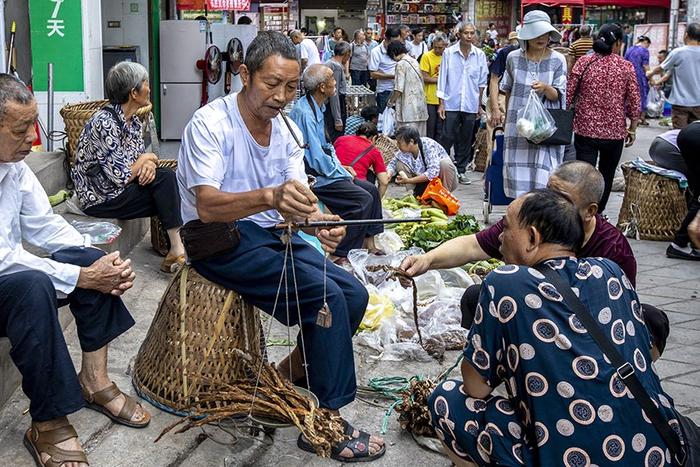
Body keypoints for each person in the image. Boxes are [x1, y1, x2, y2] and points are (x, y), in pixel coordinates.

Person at [177, 33, 385, 462]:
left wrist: (317, 221)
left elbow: (296, 198)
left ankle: (293, 369)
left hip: (271, 235)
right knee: (325, 295)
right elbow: (207, 205)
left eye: (291, 87)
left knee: (355, 294)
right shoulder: (210, 124)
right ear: (244, 74)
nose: (281, 96)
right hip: (219, 238)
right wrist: (271, 199)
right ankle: (325, 420)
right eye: (271, 84)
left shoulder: (288, 129)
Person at [427, 188, 682, 466]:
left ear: (533, 238)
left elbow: (475, 387)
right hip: (657, 450)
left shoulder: (507, 282)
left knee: (447, 399)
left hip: (568, 456)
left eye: (507, 227)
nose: (499, 236)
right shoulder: (610, 271)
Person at [0, 74, 148, 467]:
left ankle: (94, 381)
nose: (33, 140)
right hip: (7, 282)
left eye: (32, 126)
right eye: (20, 130)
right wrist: (82, 278)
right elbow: (2, 260)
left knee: (85, 261)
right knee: (32, 285)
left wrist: (97, 262)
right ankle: (48, 422)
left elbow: (46, 226)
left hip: (8, 279)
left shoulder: (12, 166)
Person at [400, 161, 670, 358]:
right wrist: (427, 260)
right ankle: (488, 364)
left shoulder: (614, 250)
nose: (549, 203)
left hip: (584, 334)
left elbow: (620, 311)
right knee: (475, 295)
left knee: (652, 319)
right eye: (548, 193)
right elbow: (474, 245)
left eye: (561, 199)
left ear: (590, 211)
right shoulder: (530, 223)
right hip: (530, 319)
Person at [71, 62, 185, 273]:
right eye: (145, 84)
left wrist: (148, 164)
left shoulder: (131, 122)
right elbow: (121, 176)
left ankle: (176, 250)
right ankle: (177, 248)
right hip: (100, 198)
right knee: (167, 181)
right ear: (134, 92)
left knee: (169, 185)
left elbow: (138, 161)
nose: (149, 88)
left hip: (121, 190)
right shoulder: (104, 122)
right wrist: (147, 159)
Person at [290, 64, 384, 259]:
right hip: (315, 177)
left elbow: (326, 146)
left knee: (372, 191)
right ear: (322, 87)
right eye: (332, 79)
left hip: (327, 171)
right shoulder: (304, 112)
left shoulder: (318, 106)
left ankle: (369, 243)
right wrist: (340, 172)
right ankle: (341, 254)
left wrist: (341, 167)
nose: (336, 82)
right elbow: (315, 158)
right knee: (361, 200)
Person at [568, 23, 640, 214]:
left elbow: (569, 93)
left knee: (585, 175)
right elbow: (634, 99)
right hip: (614, 132)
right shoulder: (626, 66)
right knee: (607, 175)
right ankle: (598, 215)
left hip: (585, 130)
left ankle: (582, 213)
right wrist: (633, 127)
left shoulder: (584, 62)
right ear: (617, 43)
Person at [500, 11, 568, 199]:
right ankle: (521, 217)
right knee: (517, 177)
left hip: (546, 129)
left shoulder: (557, 59)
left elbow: (558, 96)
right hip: (519, 127)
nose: (541, 38)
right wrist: (507, 120)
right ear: (526, 36)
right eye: (536, 34)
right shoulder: (513, 58)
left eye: (545, 33)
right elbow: (507, 89)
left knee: (544, 175)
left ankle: (541, 219)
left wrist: (546, 87)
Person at [437, 22, 489, 186]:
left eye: (472, 33)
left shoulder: (479, 55)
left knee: (466, 138)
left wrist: (479, 104)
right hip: (451, 102)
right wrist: (441, 103)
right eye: (466, 33)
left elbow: (481, 82)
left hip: (470, 103)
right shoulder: (449, 53)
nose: (469, 36)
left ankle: (460, 170)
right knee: (447, 136)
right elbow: (442, 79)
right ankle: (442, 169)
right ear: (459, 34)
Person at [647, 22, 700, 129]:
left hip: (680, 103)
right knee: (696, 136)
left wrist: (650, 73)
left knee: (679, 135)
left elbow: (661, 68)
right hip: (698, 103)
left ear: (686, 35)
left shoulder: (678, 52)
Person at [387, 125, 458, 197]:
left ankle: (443, 196)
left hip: (442, 180)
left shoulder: (428, 145)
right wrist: (388, 174)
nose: (397, 145)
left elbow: (432, 173)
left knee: (445, 164)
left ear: (411, 141)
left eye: (399, 143)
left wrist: (409, 180)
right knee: (400, 164)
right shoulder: (403, 152)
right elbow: (392, 164)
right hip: (423, 184)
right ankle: (413, 194)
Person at [667, 121, 700, 260]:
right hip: (695, 138)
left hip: (690, 132)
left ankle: (682, 242)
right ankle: (679, 244)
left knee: (698, 192)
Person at [334, 122, 390, 196]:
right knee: (371, 176)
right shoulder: (374, 151)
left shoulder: (340, 139)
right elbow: (384, 182)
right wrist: (378, 201)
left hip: (334, 180)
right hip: (355, 186)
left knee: (369, 173)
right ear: (374, 138)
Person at [387, 41, 429, 136]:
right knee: (420, 139)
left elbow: (398, 89)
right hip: (420, 108)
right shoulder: (414, 61)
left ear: (393, 53)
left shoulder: (401, 64)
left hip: (407, 111)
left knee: (407, 140)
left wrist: (390, 102)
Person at [487, 31, 519, 128]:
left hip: (518, 101)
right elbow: (494, 80)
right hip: (501, 98)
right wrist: (495, 108)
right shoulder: (505, 53)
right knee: (496, 135)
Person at [420, 34, 447, 140]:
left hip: (445, 99)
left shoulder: (448, 55)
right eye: (434, 47)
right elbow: (424, 77)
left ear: (445, 45)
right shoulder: (426, 56)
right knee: (430, 128)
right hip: (430, 98)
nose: (436, 50)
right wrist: (442, 80)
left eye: (440, 47)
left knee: (441, 129)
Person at [369, 27, 401, 113]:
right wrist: (393, 76)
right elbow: (373, 74)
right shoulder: (376, 52)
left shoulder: (398, 49)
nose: (395, 45)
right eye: (393, 42)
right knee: (384, 118)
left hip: (399, 89)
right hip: (385, 91)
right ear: (386, 38)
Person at [324, 41, 351, 142]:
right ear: (346, 54)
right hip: (335, 105)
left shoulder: (330, 62)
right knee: (336, 138)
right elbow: (334, 94)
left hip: (332, 105)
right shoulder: (336, 67)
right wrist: (338, 119)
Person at [625, 35, 652, 126]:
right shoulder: (644, 51)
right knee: (642, 96)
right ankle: (641, 118)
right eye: (648, 45)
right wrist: (651, 78)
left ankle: (632, 118)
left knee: (631, 97)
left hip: (629, 76)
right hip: (640, 77)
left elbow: (625, 63)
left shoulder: (629, 49)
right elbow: (645, 66)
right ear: (646, 42)